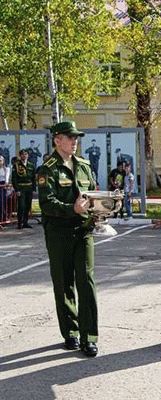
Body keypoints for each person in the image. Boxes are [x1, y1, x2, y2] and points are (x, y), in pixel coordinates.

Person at [37, 121, 98, 357]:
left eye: (76, 138)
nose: (75, 141)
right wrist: (71, 208)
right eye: (70, 137)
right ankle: (71, 333)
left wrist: (103, 208)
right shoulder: (47, 169)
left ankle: (89, 336)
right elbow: (47, 203)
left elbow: (91, 194)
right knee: (64, 284)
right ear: (57, 140)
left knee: (87, 282)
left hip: (83, 230)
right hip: (59, 233)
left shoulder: (84, 166)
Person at [11, 149, 35, 229]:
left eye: (25, 154)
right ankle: (19, 223)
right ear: (20, 155)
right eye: (22, 154)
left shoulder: (31, 165)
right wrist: (17, 190)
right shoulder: (16, 165)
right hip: (21, 188)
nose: (24, 156)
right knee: (21, 206)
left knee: (28, 206)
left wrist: (33, 188)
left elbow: (33, 178)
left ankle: (25, 222)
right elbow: (14, 179)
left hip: (29, 188)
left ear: (28, 155)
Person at [0, 155, 11, 223]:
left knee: (2, 203)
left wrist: (6, 184)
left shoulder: (6, 169)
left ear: (3, 161)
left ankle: (2, 219)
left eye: (0, 161)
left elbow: (6, 180)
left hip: (2, 187)